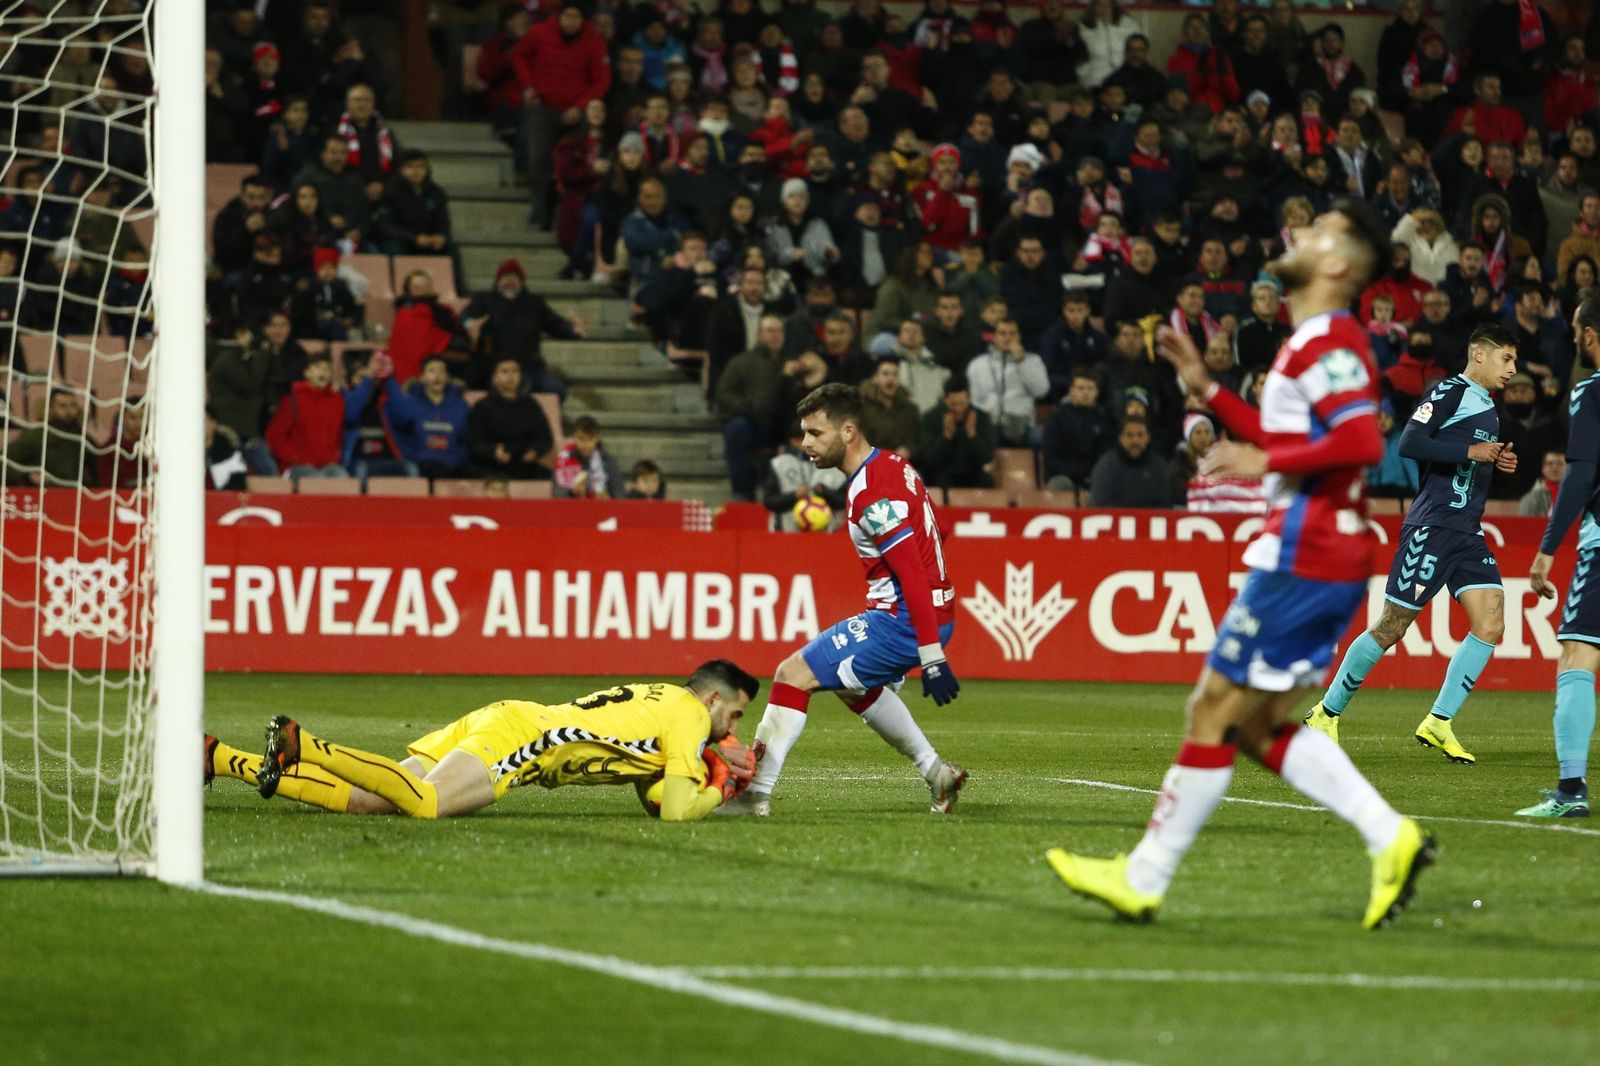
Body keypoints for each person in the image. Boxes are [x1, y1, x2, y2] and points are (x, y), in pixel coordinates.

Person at [1048, 199, 1438, 931]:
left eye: (1318, 230)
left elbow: (1357, 442)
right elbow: (1294, 433)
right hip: (1314, 551)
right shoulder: (1317, 340)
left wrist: (1267, 458)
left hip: (1306, 552)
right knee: (1251, 726)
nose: (1300, 234)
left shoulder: (1333, 342)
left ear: (1337, 264)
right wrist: (1211, 390)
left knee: (1213, 708)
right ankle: (1393, 838)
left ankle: (1145, 876)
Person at [722, 384, 968, 817]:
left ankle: (753, 795)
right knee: (852, 686)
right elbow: (939, 528)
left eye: (816, 433)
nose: (805, 444)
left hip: (905, 621)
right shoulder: (895, 465)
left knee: (791, 674)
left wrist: (929, 654)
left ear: (848, 431)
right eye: (804, 433)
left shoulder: (870, 492)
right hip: (926, 612)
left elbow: (910, 570)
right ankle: (937, 773)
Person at [1304, 326, 1520, 762]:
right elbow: (1410, 442)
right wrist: (1472, 453)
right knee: (1392, 626)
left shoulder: (1488, 407)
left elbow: (1468, 458)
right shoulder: (1448, 392)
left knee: (1492, 621)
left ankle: (1439, 722)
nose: (1512, 370)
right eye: (1507, 359)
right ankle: (1325, 715)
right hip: (1434, 527)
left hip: (1466, 531)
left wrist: (1495, 460)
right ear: (1479, 355)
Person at [211, 662, 759, 824]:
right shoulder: (690, 715)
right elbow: (678, 811)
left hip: (509, 718)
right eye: (733, 715)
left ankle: (220, 757)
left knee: (377, 799)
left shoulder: (666, 701)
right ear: (713, 700)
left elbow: (656, 796)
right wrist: (717, 784)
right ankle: (304, 744)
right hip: (521, 740)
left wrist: (699, 769)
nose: (731, 728)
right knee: (425, 805)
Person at [1524, 296, 1600, 819]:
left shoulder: (1590, 392)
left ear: (1590, 334)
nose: (1574, 340)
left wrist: (1548, 548)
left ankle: (1570, 790)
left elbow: (1580, 472)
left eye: (1577, 331)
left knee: (1576, 654)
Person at [462, 259, 584, 398]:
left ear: (521, 281)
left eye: (514, 278)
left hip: (529, 368)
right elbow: (465, 317)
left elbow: (555, 324)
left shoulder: (535, 303)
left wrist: (572, 330)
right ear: (497, 280)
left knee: (556, 389)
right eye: (505, 277)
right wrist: (469, 325)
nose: (509, 282)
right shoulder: (483, 300)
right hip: (493, 368)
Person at [467, 358, 555, 480]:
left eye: (515, 371)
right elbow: (474, 443)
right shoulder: (482, 406)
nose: (510, 376)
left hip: (525, 465)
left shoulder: (532, 405)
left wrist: (535, 451)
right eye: (504, 371)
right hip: (491, 466)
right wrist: (493, 452)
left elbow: (545, 439)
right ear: (495, 378)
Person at [264, 354, 347, 483]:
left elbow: (338, 435)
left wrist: (335, 455)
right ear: (307, 373)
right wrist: (294, 458)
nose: (323, 372)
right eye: (318, 367)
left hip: (328, 465)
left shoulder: (337, 401)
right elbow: (275, 436)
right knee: (316, 480)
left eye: (327, 368)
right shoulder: (292, 400)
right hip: (297, 466)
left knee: (342, 478)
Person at [763, 420, 848, 531]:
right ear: (794, 441)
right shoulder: (779, 464)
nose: (814, 442)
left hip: (826, 539)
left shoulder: (837, 466)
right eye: (808, 437)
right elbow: (769, 501)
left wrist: (824, 492)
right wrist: (794, 496)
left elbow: (846, 502)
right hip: (785, 537)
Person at [1041, 368, 1114, 491]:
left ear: (1097, 392)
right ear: (1071, 391)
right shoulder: (1057, 418)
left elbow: (1105, 455)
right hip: (1062, 475)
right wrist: (1075, 472)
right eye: (1080, 388)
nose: (1085, 393)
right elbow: (1050, 455)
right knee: (1059, 485)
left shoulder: (1103, 419)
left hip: (1093, 476)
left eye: (1090, 389)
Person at [1087, 416, 1169, 508]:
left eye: (1140, 435)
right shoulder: (1106, 466)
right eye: (1129, 435)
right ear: (1121, 438)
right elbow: (1101, 504)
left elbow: (1165, 503)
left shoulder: (1159, 466)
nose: (1135, 440)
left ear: (1148, 438)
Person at [553, 415, 624, 498]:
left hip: (602, 510)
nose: (585, 444)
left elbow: (620, 497)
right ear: (574, 437)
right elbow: (557, 497)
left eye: (590, 439)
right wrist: (572, 492)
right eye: (581, 438)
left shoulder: (609, 463)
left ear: (597, 438)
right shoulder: (563, 461)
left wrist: (607, 499)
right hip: (573, 509)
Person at [1519, 449, 1566, 516]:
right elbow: (1523, 524)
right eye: (1550, 464)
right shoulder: (1530, 499)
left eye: (1560, 463)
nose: (1555, 467)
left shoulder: (1576, 497)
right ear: (1543, 469)